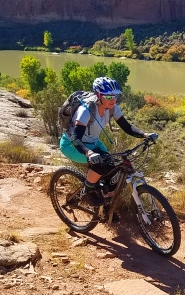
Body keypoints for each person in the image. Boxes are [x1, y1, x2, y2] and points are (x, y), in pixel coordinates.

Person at [59, 77, 157, 206]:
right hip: (72, 145)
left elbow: (127, 127)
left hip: (94, 143)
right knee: (100, 165)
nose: (113, 100)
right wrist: (89, 153)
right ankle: (87, 192)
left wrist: (145, 135)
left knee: (114, 170)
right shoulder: (86, 110)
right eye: (109, 97)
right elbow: (76, 138)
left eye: (115, 96)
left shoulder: (112, 108)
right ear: (99, 95)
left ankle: (107, 206)